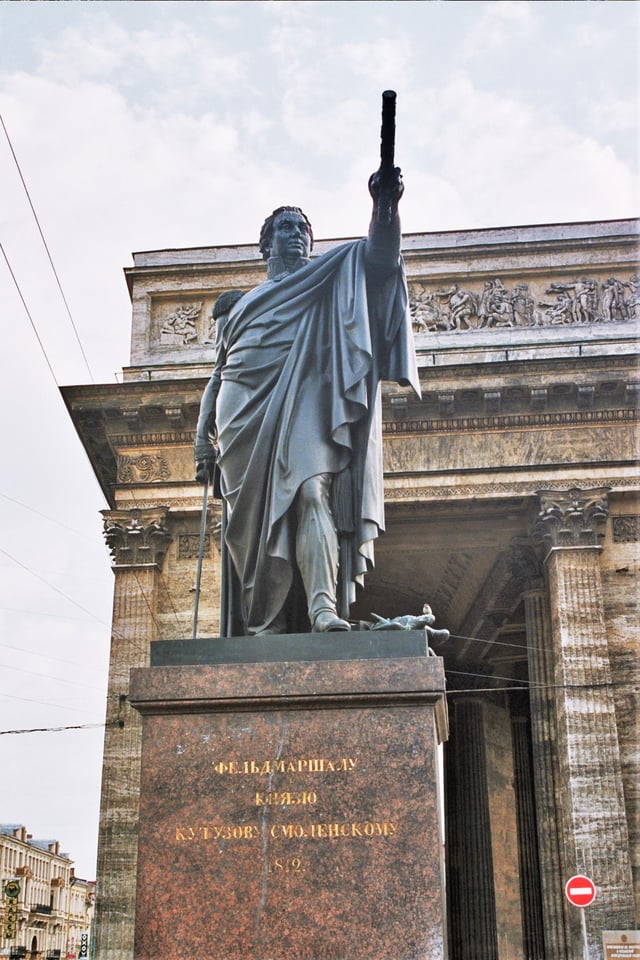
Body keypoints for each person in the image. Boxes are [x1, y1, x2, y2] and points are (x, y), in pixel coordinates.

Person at [194, 168, 420, 636]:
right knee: (251, 528)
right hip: (241, 417)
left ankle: (323, 611)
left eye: (303, 229)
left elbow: (381, 256)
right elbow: (218, 375)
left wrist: (385, 204)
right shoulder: (239, 305)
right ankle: (266, 622)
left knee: (312, 490)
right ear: (265, 244)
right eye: (285, 228)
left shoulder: (328, 278)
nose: (295, 235)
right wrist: (202, 440)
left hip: (305, 400)